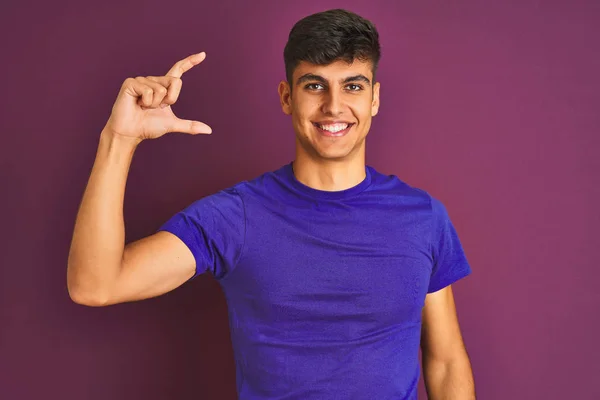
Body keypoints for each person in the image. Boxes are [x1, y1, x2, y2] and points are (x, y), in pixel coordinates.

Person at [67, 8, 475, 400]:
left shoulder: (422, 217)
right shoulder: (236, 217)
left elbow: (445, 361)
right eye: (314, 85)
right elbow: (95, 285)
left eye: (353, 85)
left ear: (374, 99)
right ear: (286, 97)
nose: (334, 105)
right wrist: (118, 140)